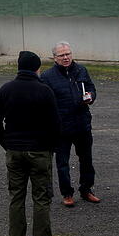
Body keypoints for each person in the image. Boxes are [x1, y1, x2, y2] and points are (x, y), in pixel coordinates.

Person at [0, 51, 62, 236]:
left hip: (14, 151)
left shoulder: (6, 90)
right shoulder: (44, 91)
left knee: (16, 198)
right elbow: (56, 125)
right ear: (37, 69)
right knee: (41, 200)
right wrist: (49, 147)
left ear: (18, 68)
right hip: (39, 151)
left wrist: (7, 144)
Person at [40, 41, 100, 207]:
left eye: (68, 54)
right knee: (62, 163)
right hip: (61, 127)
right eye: (62, 55)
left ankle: (87, 189)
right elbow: (45, 102)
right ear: (55, 58)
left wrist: (90, 96)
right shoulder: (47, 77)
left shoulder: (81, 70)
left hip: (82, 123)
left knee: (86, 160)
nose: (66, 57)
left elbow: (91, 88)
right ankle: (67, 193)